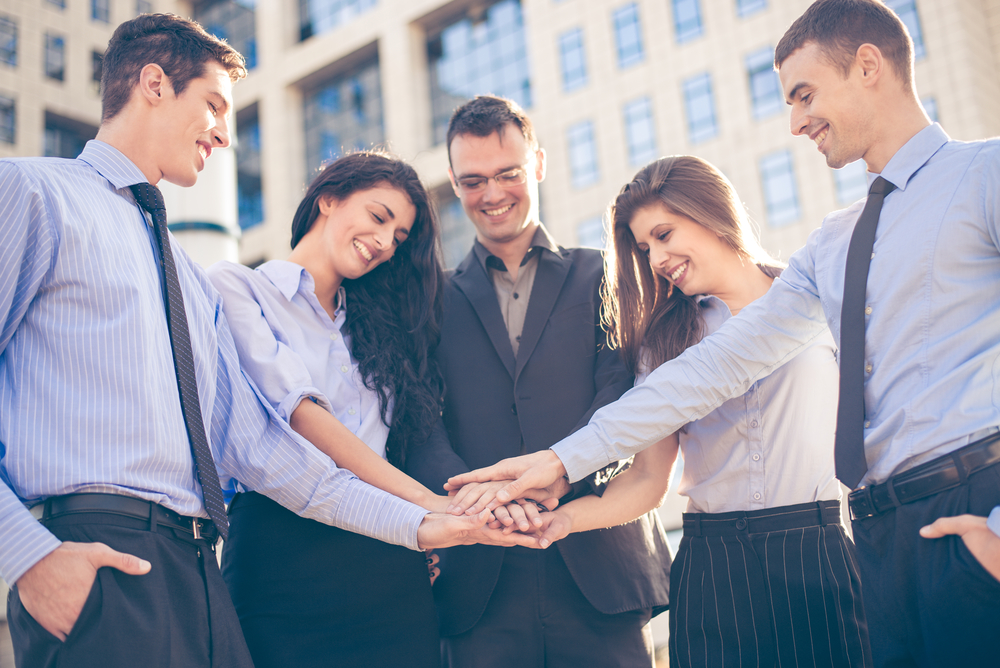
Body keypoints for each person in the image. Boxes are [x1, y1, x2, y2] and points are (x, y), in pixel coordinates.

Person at [448, 2, 1000, 666]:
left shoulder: (983, 176)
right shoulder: (832, 247)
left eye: (803, 95)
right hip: (878, 537)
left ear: (867, 66)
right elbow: (709, 372)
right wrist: (562, 463)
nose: (795, 122)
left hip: (954, 509)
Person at [0, 14, 528, 668]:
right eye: (214, 105)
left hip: (198, 568)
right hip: (95, 550)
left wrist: (427, 525)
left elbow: (276, 459)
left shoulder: (189, 282)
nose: (224, 133)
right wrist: (27, 555)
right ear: (154, 83)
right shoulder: (31, 193)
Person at [527, 155, 871, 667]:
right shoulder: (662, 342)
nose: (658, 258)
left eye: (665, 234)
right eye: (645, 249)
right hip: (715, 562)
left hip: (817, 547)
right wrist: (564, 521)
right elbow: (647, 480)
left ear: (711, 210)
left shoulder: (816, 300)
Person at [209, 150, 510, 667]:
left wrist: (420, 519)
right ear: (328, 198)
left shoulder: (378, 327)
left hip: (385, 551)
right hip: (279, 551)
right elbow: (300, 414)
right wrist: (425, 505)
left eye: (399, 238)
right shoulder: (237, 287)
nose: (386, 243)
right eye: (379, 217)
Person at [404, 95, 672, 668]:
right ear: (453, 184)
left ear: (540, 165)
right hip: (479, 577)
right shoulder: (429, 301)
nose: (493, 194)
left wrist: (556, 474)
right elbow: (420, 423)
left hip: (600, 566)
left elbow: (622, 395)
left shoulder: (608, 272)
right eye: (473, 180)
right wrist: (480, 501)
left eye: (509, 174)